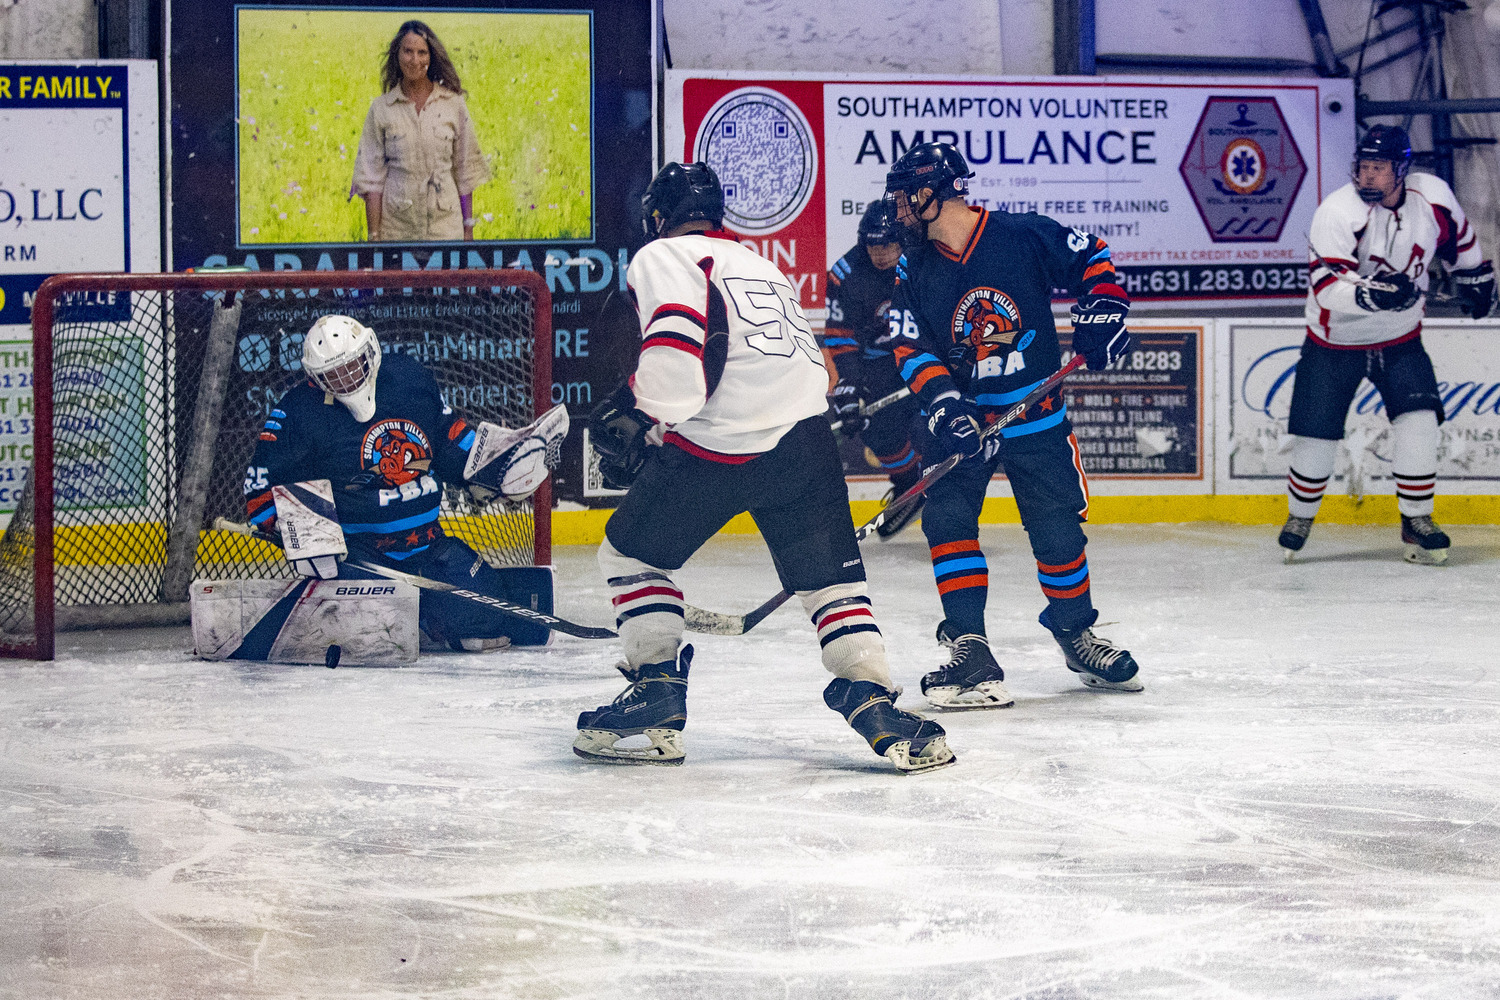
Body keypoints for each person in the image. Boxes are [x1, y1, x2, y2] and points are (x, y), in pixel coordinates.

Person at [575, 161, 954, 773]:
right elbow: (822, 371)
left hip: (722, 440)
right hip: (806, 440)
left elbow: (675, 351)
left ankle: (656, 693)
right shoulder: (761, 266)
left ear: (657, 218)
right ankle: (874, 701)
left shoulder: (663, 255)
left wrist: (649, 412)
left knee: (630, 557)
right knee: (833, 585)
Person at [883, 142, 1143, 707]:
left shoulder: (1022, 234)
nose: (898, 211)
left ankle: (1076, 633)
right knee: (949, 523)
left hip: (1035, 416)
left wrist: (1104, 309)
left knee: (1057, 528)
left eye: (905, 198)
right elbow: (911, 343)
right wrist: (945, 403)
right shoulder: (914, 265)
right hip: (963, 423)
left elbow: (1094, 260)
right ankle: (970, 647)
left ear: (931, 192)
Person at [243, 314, 568, 651]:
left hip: (427, 547)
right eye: (334, 375)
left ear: (371, 351)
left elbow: (446, 437)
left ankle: (428, 617)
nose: (347, 379)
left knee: (485, 621)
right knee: (367, 636)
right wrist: (302, 538)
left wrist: (488, 469)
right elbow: (261, 490)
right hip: (358, 558)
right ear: (316, 378)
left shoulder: (407, 378)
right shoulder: (298, 412)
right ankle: (421, 615)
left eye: (353, 366)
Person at [1280, 124, 1494, 565]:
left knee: (1420, 421)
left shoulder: (1431, 196)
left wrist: (1478, 278)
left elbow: (1462, 244)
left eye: (1379, 168)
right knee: (1316, 439)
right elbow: (1326, 289)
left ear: (1402, 169)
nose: (1368, 177)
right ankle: (1300, 516)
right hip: (1334, 343)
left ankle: (1416, 519)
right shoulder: (1336, 213)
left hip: (1401, 340)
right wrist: (1370, 294)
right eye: (1363, 167)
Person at [821, 200, 927, 538]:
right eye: (872, 245)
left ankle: (944, 489)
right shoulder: (846, 273)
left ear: (903, 240)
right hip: (876, 361)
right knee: (874, 426)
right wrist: (850, 385)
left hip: (924, 350)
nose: (879, 253)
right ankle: (910, 485)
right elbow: (841, 335)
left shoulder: (925, 261)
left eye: (887, 245)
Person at [352, 20, 489, 243]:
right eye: (408, 51)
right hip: (397, 233)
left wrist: (468, 230)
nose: (415, 60)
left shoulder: (453, 105)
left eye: (422, 52)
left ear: (431, 56)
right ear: (397, 54)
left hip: (445, 232)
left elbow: (465, 171)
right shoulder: (381, 109)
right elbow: (371, 180)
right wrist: (374, 237)